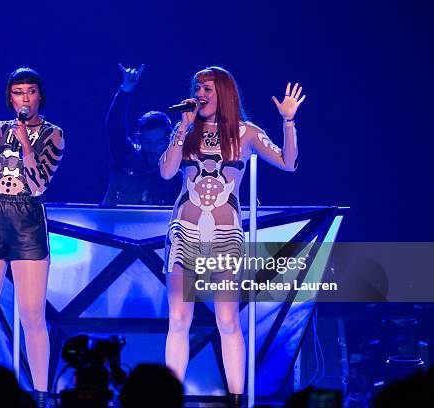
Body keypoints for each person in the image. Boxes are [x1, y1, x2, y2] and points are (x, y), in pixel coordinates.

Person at [160, 66, 305, 407]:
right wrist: (181, 129)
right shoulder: (188, 130)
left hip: (226, 234)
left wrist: (288, 121)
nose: (201, 95)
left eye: (208, 89)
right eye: (198, 88)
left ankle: (237, 399)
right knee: (179, 318)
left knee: (227, 319)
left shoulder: (246, 132)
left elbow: (289, 162)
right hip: (185, 231)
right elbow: (166, 172)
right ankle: (169, 398)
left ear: (224, 93)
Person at [0, 67, 65, 408]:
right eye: (18, 93)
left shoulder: (54, 133)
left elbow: (38, 185)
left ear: (39, 96)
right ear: (11, 98)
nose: (25, 98)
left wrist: (25, 146)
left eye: (30, 92)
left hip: (27, 219)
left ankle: (41, 395)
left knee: (32, 315)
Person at [103, 63, 182, 205]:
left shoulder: (176, 176)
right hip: (113, 224)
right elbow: (114, 126)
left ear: (168, 140)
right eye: (147, 142)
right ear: (138, 138)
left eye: (158, 143)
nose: (153, 149)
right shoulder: (125, 155)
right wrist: (126, 90)